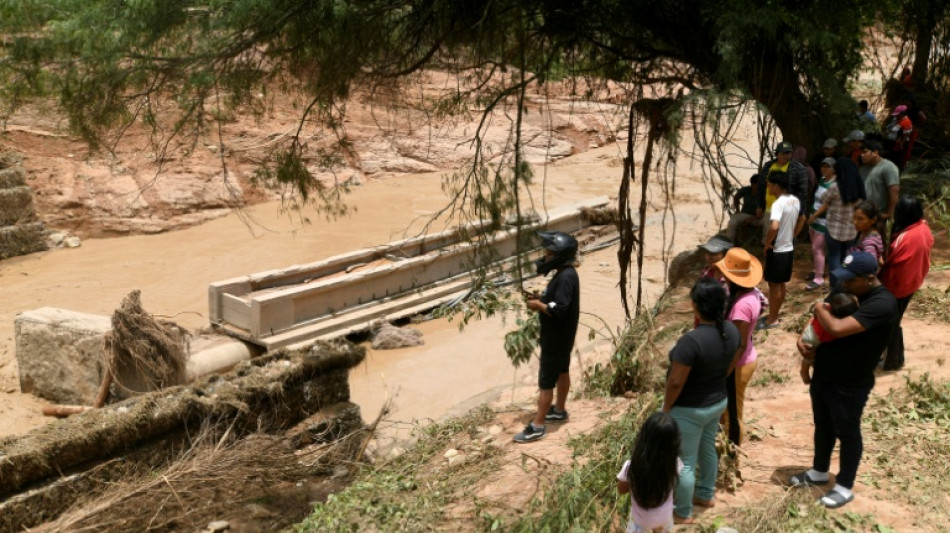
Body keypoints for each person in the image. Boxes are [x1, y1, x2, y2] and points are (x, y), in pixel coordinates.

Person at [791, 251, 898, 509]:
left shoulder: (882, 304)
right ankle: (819, 471)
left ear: (870, 278)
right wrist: (804, 340)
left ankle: (844, 486)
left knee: (848, 433)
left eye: (851, 281)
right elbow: (822, 315)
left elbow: (836, 327)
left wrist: (816, 308)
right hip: (825, 371)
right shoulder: (847, 286)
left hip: (850, 380)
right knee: (823, 425)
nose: (845, 284)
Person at [663, 278, 740, 523]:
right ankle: (705, 495)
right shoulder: (732, 330)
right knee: (707, 448)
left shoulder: (691, 341)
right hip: (717, 402)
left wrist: (666, 408)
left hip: (690, 409)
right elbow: (731, 364)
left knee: (684, 461)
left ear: (696, 306)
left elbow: (675, 382)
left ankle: (682, 512)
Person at [514, 231, 580, 443]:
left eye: (549, 254)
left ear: (559, 256)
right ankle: (559, 410)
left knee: (546, 382)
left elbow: (559, 310)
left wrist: (539, 305)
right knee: (562, 371)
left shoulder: (565, 278)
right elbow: (559, 303)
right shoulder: (566, 274)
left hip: (555, 339)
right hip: (563, 338)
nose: (545, 258)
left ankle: (538, 425)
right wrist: (541, 299)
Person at [714, 247, 764, 447]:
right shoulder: (748, 294)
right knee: (726, 413)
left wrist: (726, 371)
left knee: (733, 416)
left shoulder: (741, 306)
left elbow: (739, 345)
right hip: (742, 361)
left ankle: (733, 459)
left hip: (738, 365)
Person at [879, 196, 934, 370]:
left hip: (898, 285)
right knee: (894, 320)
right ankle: (896, 358)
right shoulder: (923, 228)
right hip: (913, 281)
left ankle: (893, 361)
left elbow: (892, 260)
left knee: (891, 322)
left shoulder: (906, 236)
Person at [616, 412, 683, 533]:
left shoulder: (630, 467)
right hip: (665, 518)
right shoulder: (675, 463)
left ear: (643, 439)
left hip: (640, 522)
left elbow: (621, 490)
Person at [809, 158, 865, 288]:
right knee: (846, 257)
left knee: (834, 257)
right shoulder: (858, 188)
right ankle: (847, 284)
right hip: (851, 230)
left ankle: (836, 287)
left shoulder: (835, 187)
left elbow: (823, 199)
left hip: (833, 229)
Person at [759, 171, 802, 329]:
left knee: (773, 285)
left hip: (777, 250)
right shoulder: (795, 201)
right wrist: (793, 236)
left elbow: (774, 226)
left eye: (770, 184)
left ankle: (772, 320)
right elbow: (802, 219)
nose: (768, 186)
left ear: (776, 185)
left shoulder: (778, 204)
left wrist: (767, 243)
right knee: (781, 284)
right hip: (788, 248)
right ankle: (774, 315)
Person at [799, 292, 859, 384]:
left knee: (809, 357)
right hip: (814, 339)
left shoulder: (827, 312)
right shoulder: (836, 327)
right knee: (812, 357)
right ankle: (806, 374)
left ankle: (804, 373)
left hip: (812, 331)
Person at [757, 141, 809, 237]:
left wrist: (800, 210)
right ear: (777, 154)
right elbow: (761, 186)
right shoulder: (768, 166)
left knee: (784, 240)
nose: (787, 156)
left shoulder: (798, 169)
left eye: (789, 153)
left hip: (787, 211)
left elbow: (803, 192)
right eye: (784, 153)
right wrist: (760, 205)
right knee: (768, 239)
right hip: (769, 209)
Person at [805, 157, 836, 291]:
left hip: (823, 221)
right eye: (822, 166)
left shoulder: (835, 184)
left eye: (827, 166)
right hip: (814, 219)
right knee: (815, 247)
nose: (824, 169)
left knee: (817, 248)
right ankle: (817, 269)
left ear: (834, 169)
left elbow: (826, 204)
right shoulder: (823, 180)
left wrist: (815, 215)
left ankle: (819, 278)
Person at [859, 140, 899, 221]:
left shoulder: (888, 167)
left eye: (865, 152)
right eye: (861, 152)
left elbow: (894, 191)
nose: (862, 155)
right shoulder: (862, 169)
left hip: (880, 215)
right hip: (864, 214)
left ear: (875, 153)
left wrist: (889, 213)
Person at [724, 175, 762, 243]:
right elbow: (736, 197)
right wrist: (737, 210)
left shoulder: (763, 194)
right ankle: (729, 242)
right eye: (757, 185)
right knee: (732, 222)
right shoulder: (746, 190)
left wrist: (752, 218)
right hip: (745, 214)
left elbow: (764, 211)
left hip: (758, 218)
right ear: (752, 185)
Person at [848, 201, 885, 268]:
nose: (855, 222)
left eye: (860, 219)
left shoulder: (870, 243)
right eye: (854, 217)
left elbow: (869, 265)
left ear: (873, 220)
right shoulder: (863, 232)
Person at [883, 105, 913, 170]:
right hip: (891, 142)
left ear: (902, 113)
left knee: (897, 160)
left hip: (899, 144)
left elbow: (906, 134)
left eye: (897, 114)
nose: (896, 115)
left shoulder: (906, 121)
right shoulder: (896, 119)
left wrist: (901, 143)